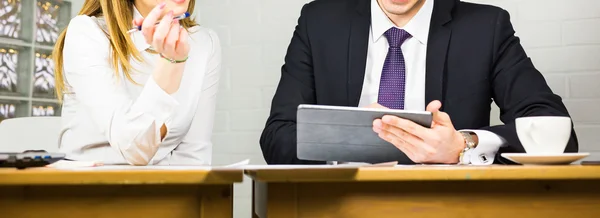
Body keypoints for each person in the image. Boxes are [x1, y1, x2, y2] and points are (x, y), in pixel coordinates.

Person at [260, 0, 578, 165]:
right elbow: (277, 137)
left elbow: (555, 131)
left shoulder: (486, 27)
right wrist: (347, 138)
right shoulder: (319, 22)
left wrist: (464, 146)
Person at [53, 0, 221, 166]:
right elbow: (135, 149)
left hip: (163, 189)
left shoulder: (203, 42)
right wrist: (171, 64)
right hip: (86, 187)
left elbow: (194, 159)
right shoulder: (86, 32)